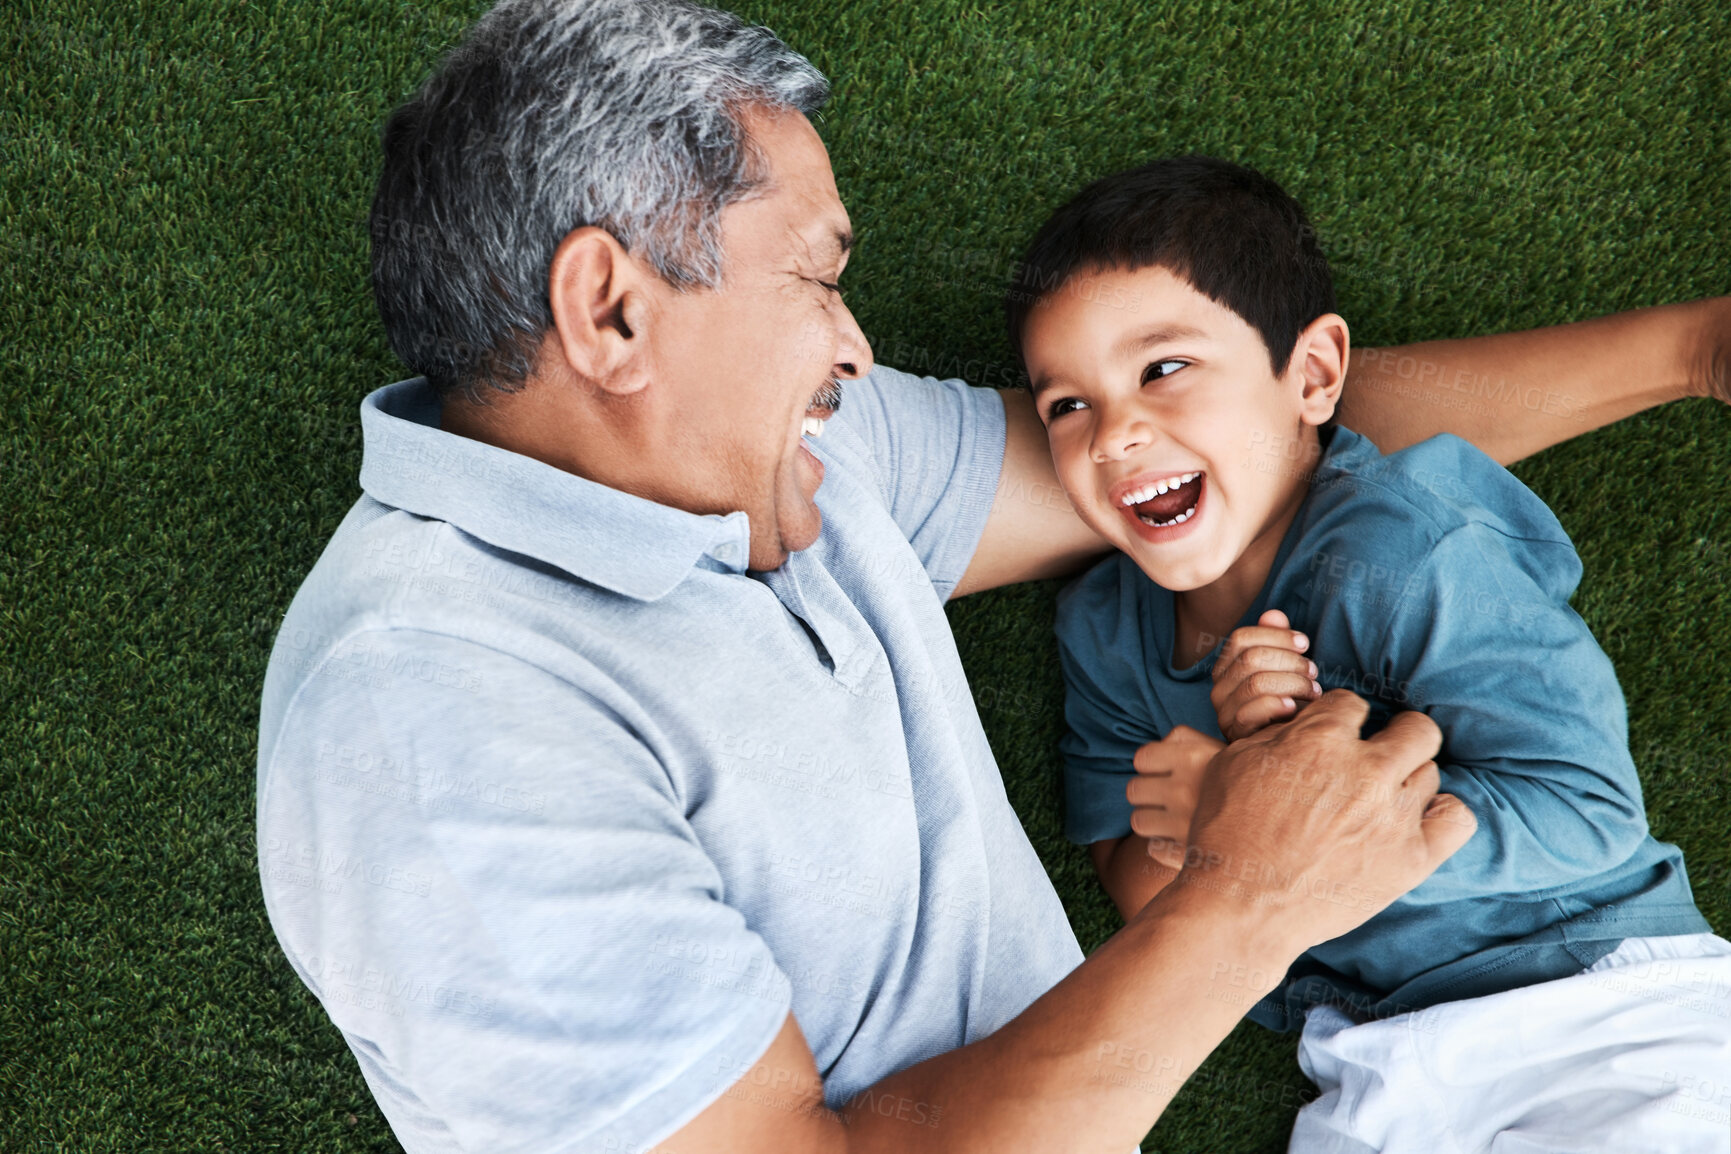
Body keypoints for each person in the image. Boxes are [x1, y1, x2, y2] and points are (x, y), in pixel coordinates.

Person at [254, 1, 1731, 1150]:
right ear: (610, 312)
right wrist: (1245, 896)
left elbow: (1239, 443)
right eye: (817, 279)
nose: (853, 345)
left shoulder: (770, 457)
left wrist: (1684, 351)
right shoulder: (431, 723)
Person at [1030, 155, 1730, 1151]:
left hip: (1600, 1011)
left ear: (1312, 375)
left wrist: (1282, 810)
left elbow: (1592, 813)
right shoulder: (1101, 626)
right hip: (1380, 1060)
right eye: (1066, 404)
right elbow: (1132, 877)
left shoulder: (1403, 552)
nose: (1115, 435)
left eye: (1163, 369)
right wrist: (1219, 823)